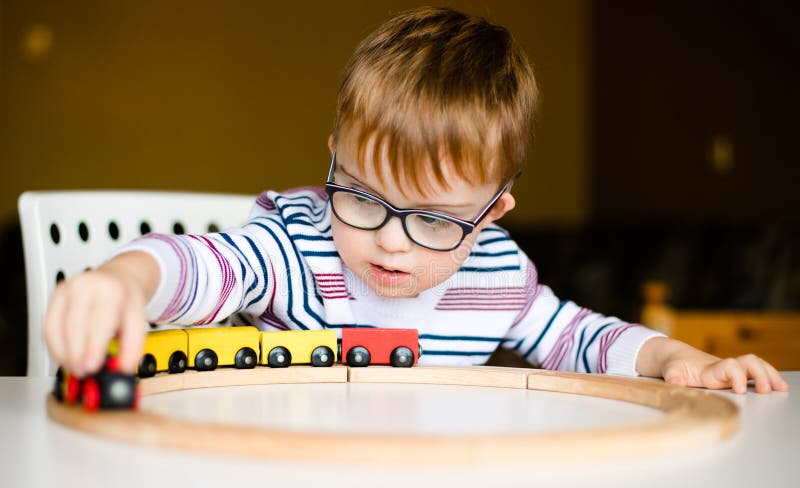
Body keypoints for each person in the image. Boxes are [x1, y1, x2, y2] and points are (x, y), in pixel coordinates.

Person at [44, 6, 788, 394]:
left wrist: (673, 357)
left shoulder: (498, 275)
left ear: (490, 215)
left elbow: (579, 340)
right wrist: (123, 281)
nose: (391, 243)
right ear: (333, 163)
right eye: (363, 200)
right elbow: (202, 266)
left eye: (433, 219)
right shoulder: (297, 247)